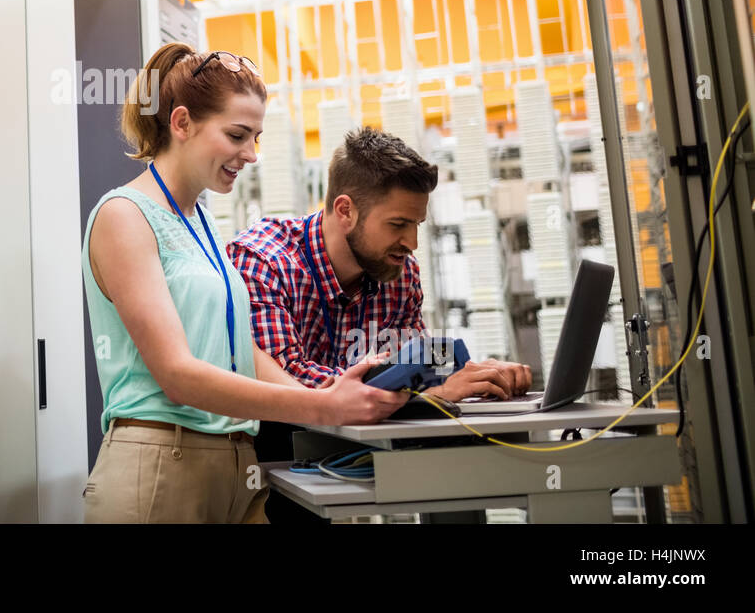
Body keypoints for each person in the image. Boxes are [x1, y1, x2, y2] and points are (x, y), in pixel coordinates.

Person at [80, 44, 409, 523]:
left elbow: (239, 348)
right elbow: (177, 375)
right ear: (182, 123)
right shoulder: (124, 217)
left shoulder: (203, 223)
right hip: (157, 464)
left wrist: (330, 394)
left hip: (235, 463)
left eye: (256, 137)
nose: (251, 154)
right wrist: (321, 407)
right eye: (237, 135)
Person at [228, 126, 533, 523]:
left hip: (346, 450)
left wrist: (474, 371)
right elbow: (292, 384)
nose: (411, 242)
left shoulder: (399, 273)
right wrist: (434, 391)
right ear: (345, 211)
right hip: (271, 464)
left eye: (416, 226)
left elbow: (418, 359)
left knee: (456, 474)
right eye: (398, 224)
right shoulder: (265, 261)